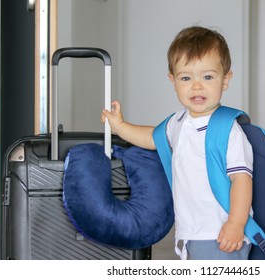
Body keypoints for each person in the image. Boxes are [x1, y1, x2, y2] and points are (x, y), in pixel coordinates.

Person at [101, 26, 254, 260]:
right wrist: (120, 127)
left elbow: (241, 179)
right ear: (173, 80)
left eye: (208, 77)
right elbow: (152, 137)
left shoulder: (228, 129)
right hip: (191, 231)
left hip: (220, 232)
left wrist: (236, 223)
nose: (197, 85)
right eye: (186, 77)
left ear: (225, 80)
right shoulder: (178, 122)